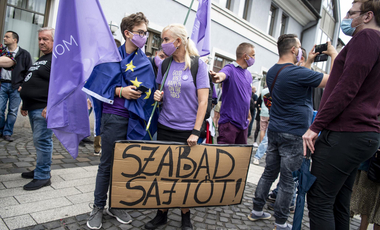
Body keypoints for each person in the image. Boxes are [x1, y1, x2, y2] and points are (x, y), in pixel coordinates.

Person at [303, 1, 380, 229]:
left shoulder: (366, 38)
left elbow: (346, 88)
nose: (347, 17)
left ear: (367, 16)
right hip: (360, 134)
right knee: (338, 201)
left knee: (319, 200)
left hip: (346, 133)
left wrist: (316, 126)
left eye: (350, 13)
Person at [248, 34, 336, 230]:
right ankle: (280, 222)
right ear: (294, 50)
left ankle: (257, 209)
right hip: (295, 132)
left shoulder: (273, 71)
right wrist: (332, 53)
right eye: (299, 47)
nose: (301, 50)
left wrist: (310, 61)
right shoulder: (297, 73)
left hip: (276, 130)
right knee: (288, 180)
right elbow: (334, 80)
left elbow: (296, 81)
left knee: (269, 172)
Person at [86, 12, 152, 229]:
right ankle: (97, 206)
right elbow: (96, 85)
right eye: (141, 32)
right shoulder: (110, 56)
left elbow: (149, 91)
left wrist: (150, 94)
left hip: (135, 120)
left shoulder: (145, 62)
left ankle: (116, 204)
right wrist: (119, 90)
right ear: (127, 33)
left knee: (125, 166)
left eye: (146, 32)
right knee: (106, 165)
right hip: (113, 117)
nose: (144, 36)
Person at [144, 23, 209, 230]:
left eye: (165, 39)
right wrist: (158, 97)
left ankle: (185, 216)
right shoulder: (164, 65)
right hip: (165, 126)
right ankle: (161, 213)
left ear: (178, 41)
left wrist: (195, 131)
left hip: (187, 131)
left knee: (184, 176)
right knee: (163, 174)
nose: (162, 44)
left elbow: (203, 102)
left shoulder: (198, 65)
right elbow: (161, 94)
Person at [253, 47, 308, 165]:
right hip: (278, 120)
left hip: (275, 118)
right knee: (267, 139)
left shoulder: (268, 88)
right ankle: (259, 155)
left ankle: (258, 155)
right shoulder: (283, 75)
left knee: (266, 136)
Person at [19, 27, 55, 191]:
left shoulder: (57, 59)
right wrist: (26, 103)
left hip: (43, 108)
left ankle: (43, 176)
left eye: (45, 39)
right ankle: (40, 169)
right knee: (38, 141)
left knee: (42, 141)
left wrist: (50, 105)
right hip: (33, 107)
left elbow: (61, 86)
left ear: (55, 40)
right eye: (40, 39)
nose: (41, 42)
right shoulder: (43, 58)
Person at [210, 43, 255, 144]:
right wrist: (217, 77)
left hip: (243, 124)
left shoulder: (248, 74)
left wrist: (248, 115)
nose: (254, 58)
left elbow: (246, 97)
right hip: (229, 123)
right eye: (253, 55)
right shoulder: (230, 68)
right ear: (245, 56)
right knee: (225, 157)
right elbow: (222, 75)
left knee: (239, 157)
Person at [0, 31, 32, 142]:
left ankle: (7, 132)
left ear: (15, 40)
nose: (4, 38)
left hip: (16, 87)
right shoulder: (2, 52)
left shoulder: (24, 54)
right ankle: (0, 130)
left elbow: (29, 72)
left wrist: (23, 85)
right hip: (2, 85)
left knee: (12, 111)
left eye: (7, 37)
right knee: (0, 109)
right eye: (4, 36)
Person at [350, 151, 380, 230]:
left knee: (365, 200)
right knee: (366, 201)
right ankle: (362, 227)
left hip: (371, 163)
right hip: (371, 164)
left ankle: (362, 227)